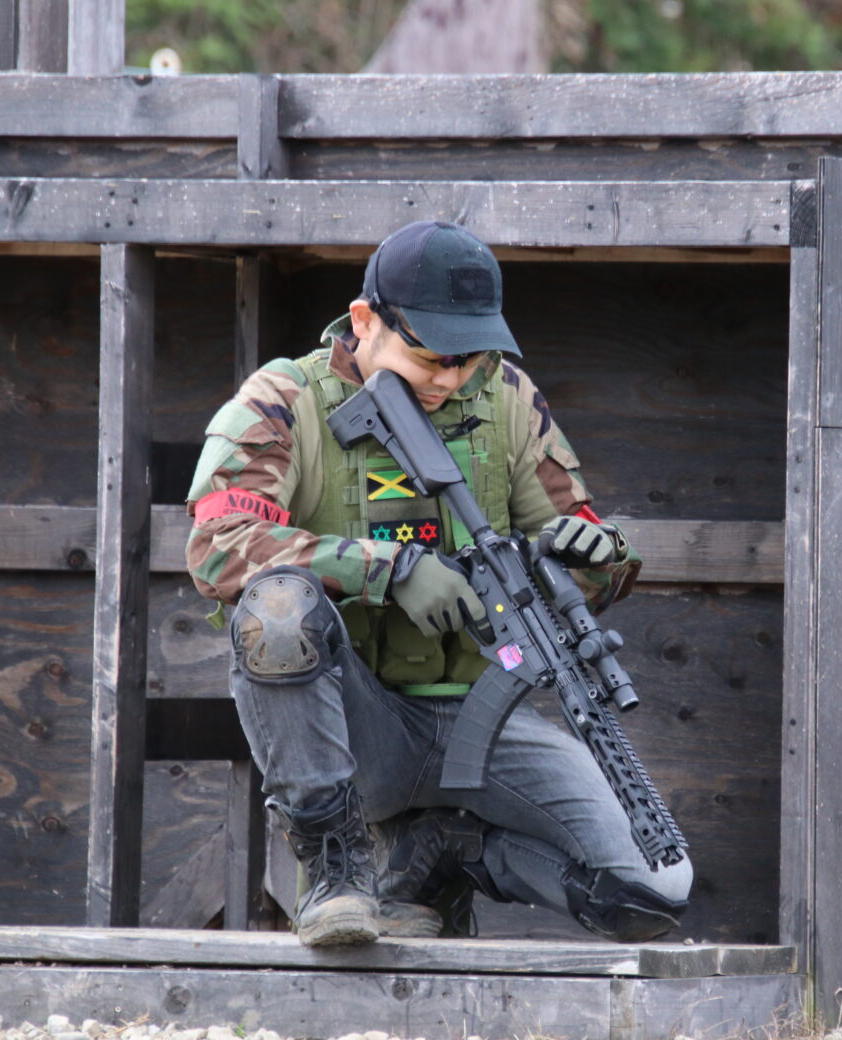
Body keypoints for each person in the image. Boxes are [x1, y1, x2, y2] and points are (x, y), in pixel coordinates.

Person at [185, 220, 693, 946]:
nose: (451, 378)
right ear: (365, 321)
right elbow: (217, 545)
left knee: (654, 886)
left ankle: (447, 851)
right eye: (429, 356)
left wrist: (594, 554)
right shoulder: (285, 398)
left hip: (486, 719)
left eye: (469, 356)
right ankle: (337, 869)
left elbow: (577, 546)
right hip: (359, 729)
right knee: (276, 612)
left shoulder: (506, 397)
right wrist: (385, 569)